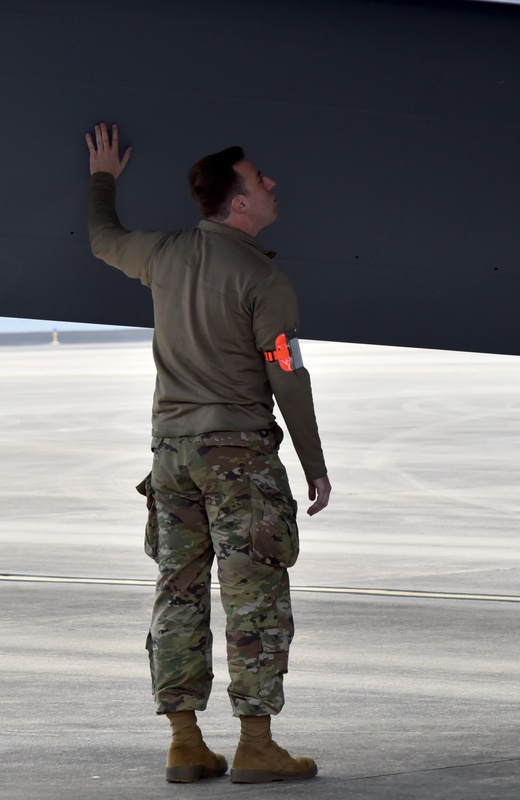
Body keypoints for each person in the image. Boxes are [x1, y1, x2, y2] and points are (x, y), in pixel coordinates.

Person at [86, 122, 332, 784]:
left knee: (179, 592)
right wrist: (313, 463)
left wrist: (103, 178)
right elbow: (286, 375)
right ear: (238, 202)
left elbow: (102, 239)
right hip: (238, 459)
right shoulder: (262, 277)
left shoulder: (164, 254)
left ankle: (185, 743)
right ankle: (256, 743)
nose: (272, 183)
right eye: (260, 179)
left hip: (170, 457)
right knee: (254, 596)